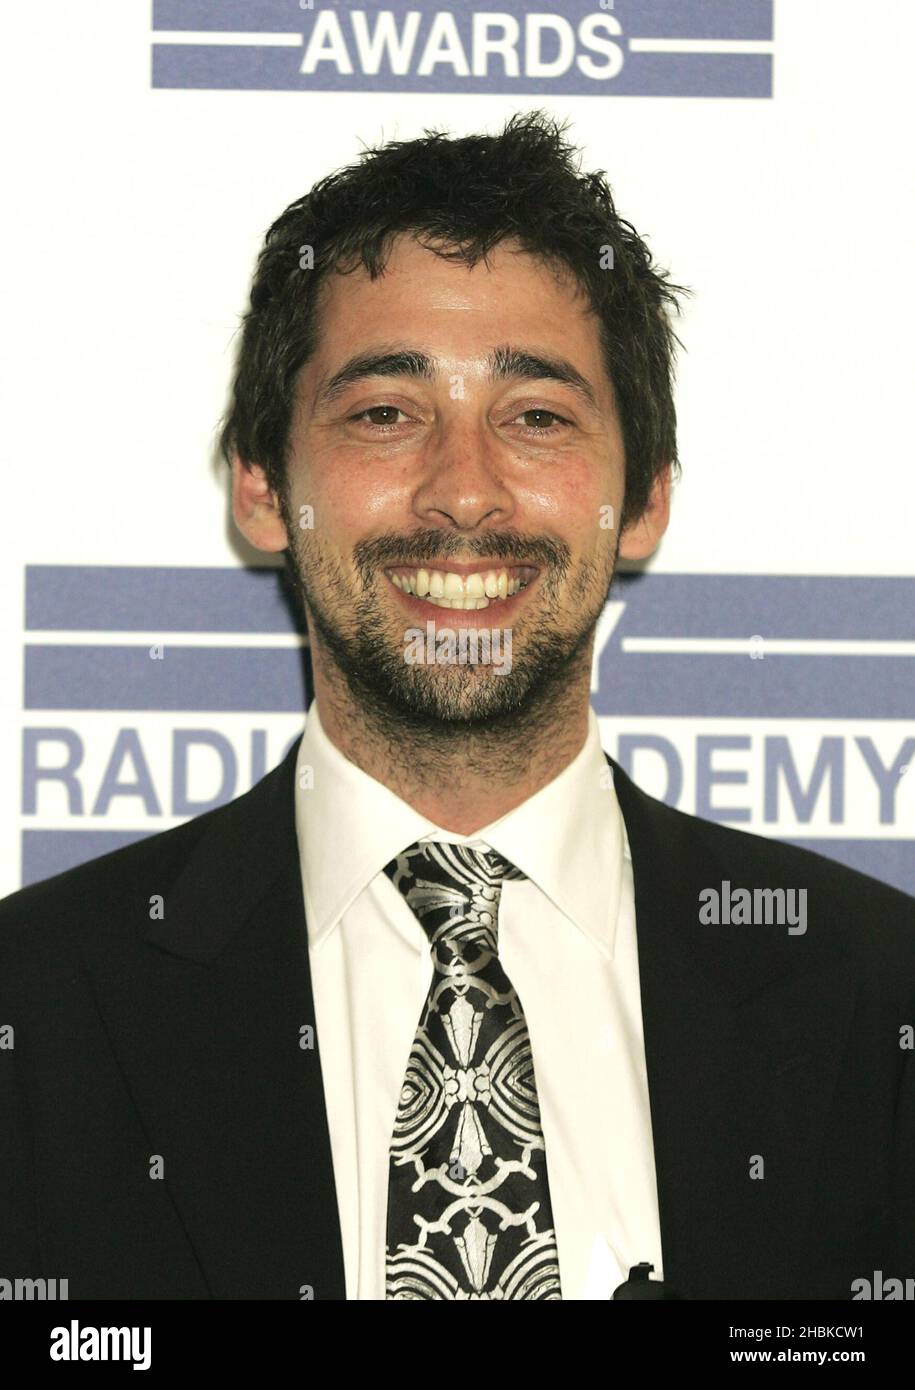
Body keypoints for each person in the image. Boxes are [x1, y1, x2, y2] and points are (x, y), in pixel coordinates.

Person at [1, 112, 913, 1301]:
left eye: (536, 417)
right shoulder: (35, 1009)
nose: (465, 492)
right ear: (266, 487)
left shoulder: (875, 996)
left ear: (641, 502)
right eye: (385, 412)